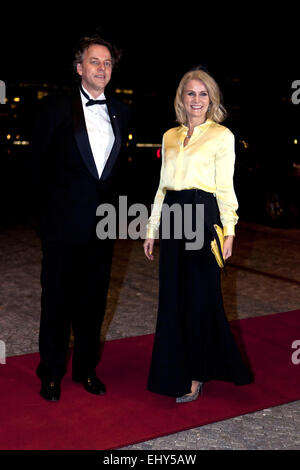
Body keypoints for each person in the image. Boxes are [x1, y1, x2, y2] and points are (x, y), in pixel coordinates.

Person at [143, 69, 252, 403]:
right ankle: (174, 369)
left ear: (212, 99)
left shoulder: (222, 135)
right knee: (173, 298)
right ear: (181, 98)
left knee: (201, 298)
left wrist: (229, 229)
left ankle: (196, 374)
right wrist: (152, 228)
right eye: (191, 93)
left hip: (203, 218)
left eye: (203, 94)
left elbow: (224, 187)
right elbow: (163, 185)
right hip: (175, 216)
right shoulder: (170, 136)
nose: (197, 100)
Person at [32, 35, 129, 401]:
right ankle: (51, 373)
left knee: (93, 303)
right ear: (79, 68)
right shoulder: (54, 108)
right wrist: (44, 220)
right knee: (56, 302)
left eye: (107, 63)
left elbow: (119, 171)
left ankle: (86, 369)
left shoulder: (121, 110)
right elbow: (36, 167)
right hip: (61, 226)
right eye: (94, 61)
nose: (102, 68)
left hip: (102, 227)